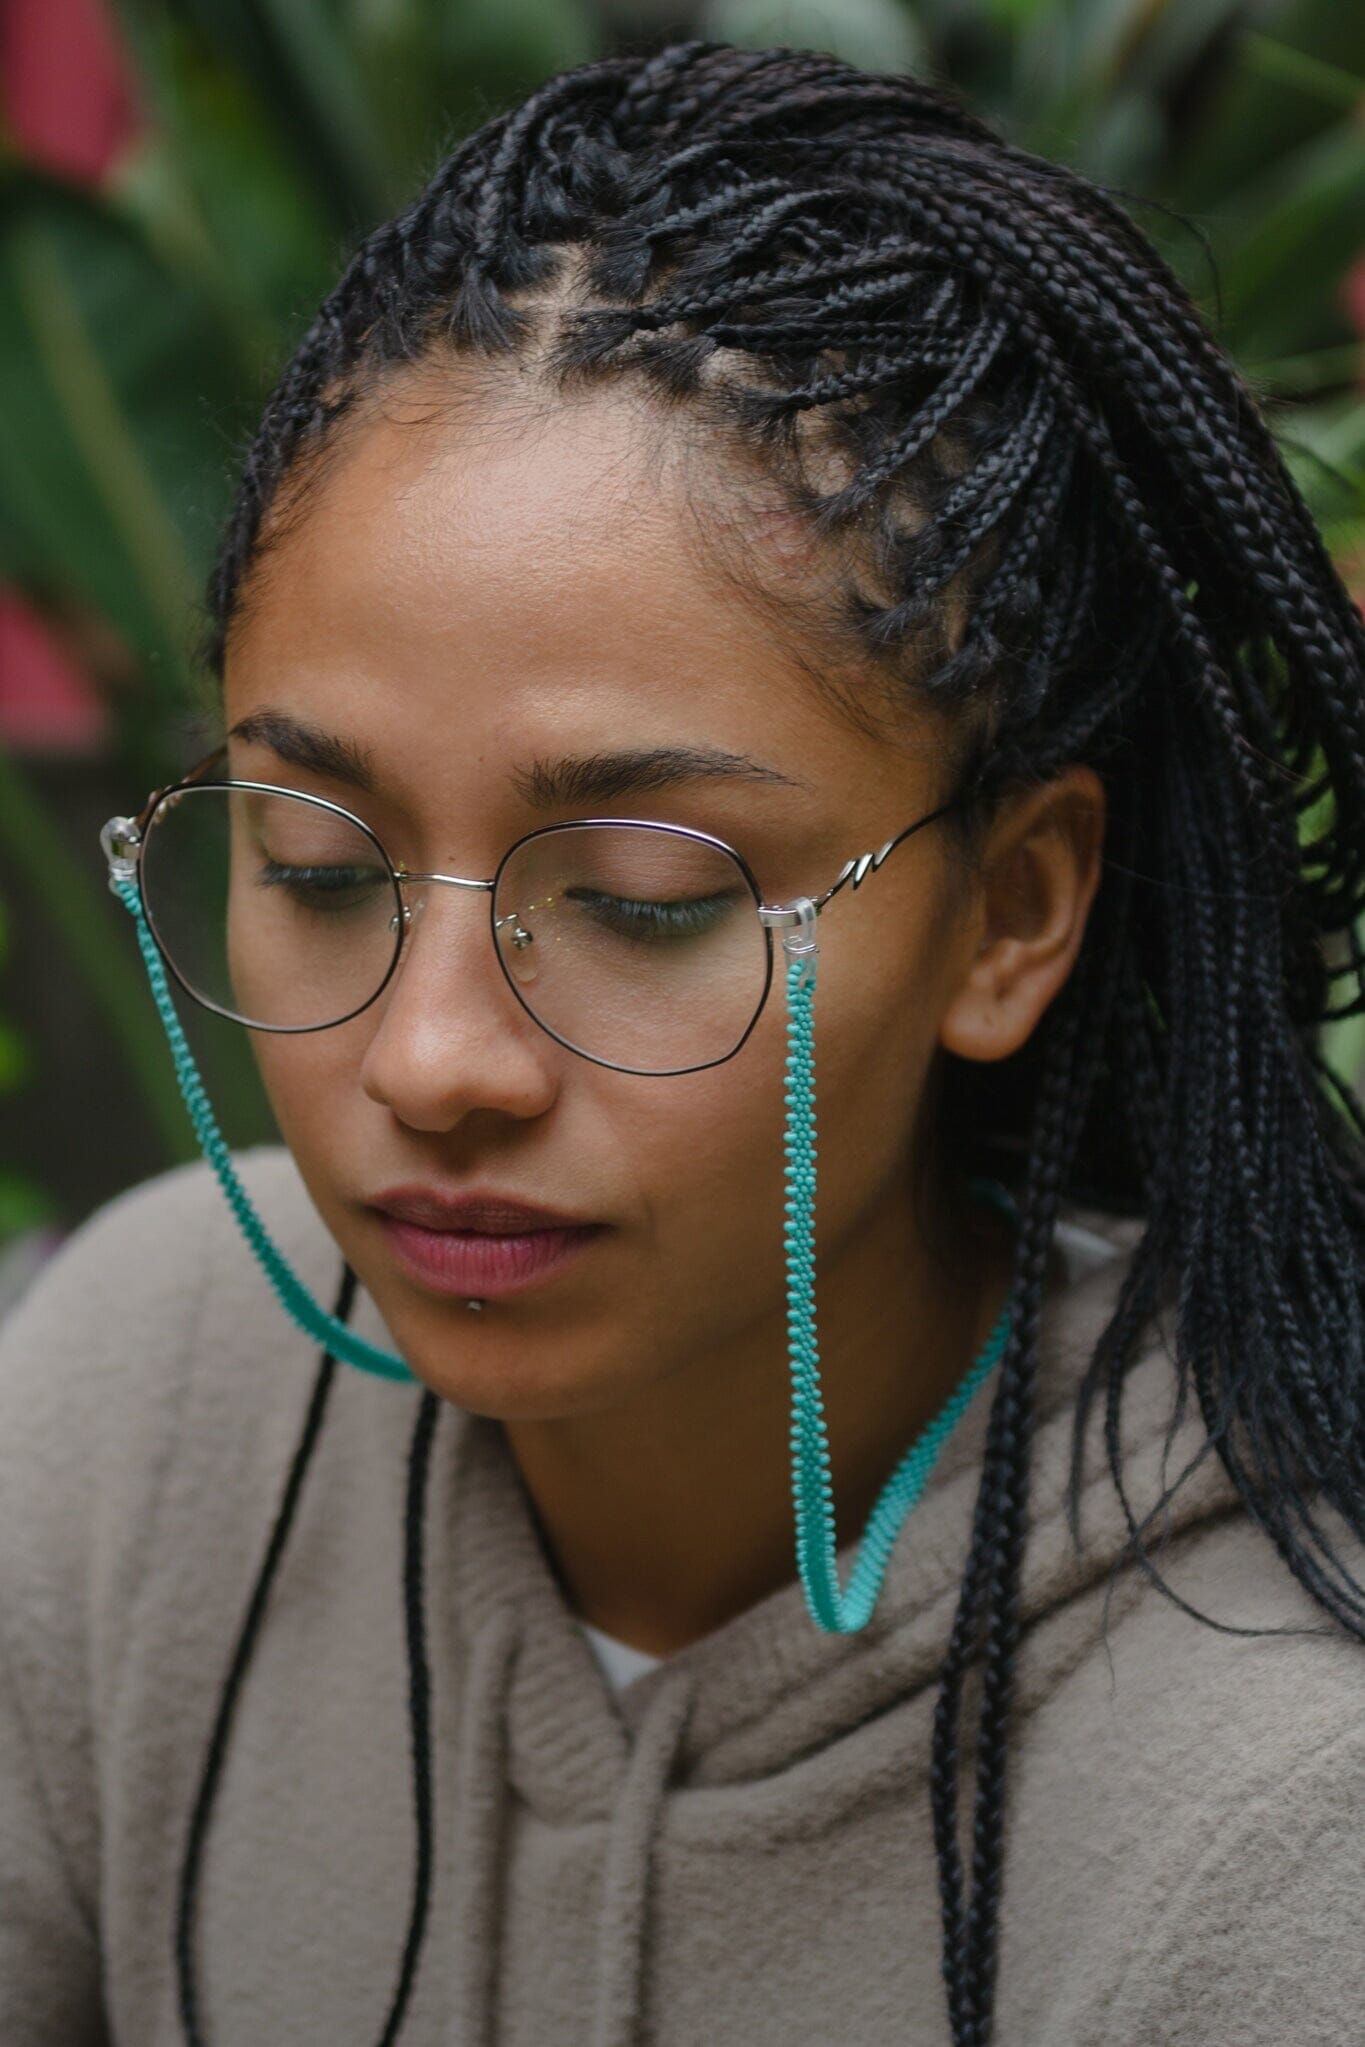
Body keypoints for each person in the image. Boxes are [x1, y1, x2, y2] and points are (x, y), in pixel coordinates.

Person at [2, 38, 1362, 2047]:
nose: (431, 1060)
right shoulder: (152, 1403)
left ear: (1011, 910)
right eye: (314, 859)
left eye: (641, 898)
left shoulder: (1272, 1826)